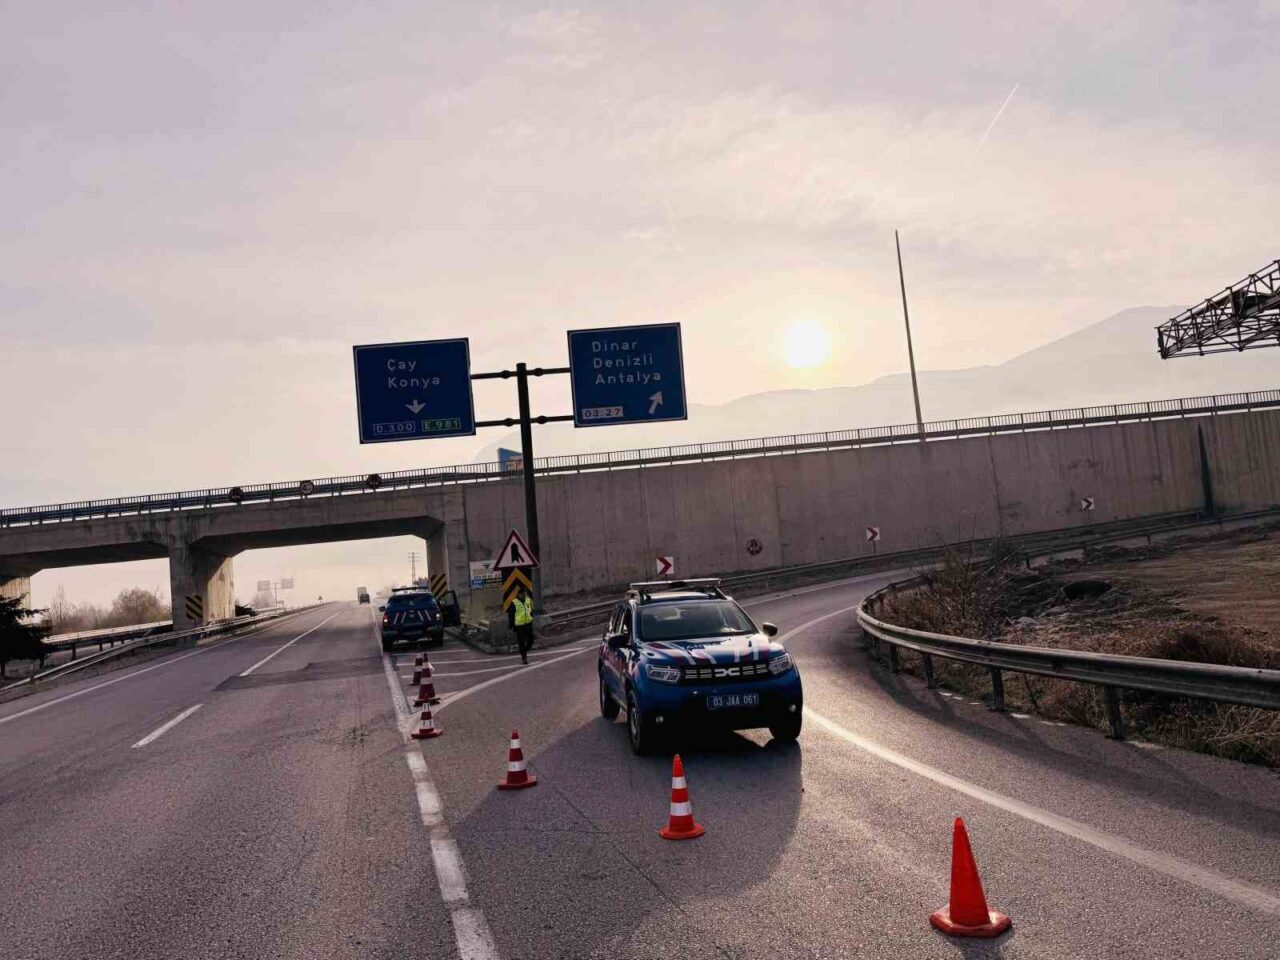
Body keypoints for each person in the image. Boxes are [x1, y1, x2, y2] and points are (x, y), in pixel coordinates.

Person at [509, 586, 535, 664]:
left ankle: (524, 650)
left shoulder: (528, 600)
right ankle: (524, 657)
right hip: (519, 626)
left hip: (528, 624)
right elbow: (511, 615)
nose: (524, 595)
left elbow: (531, 610)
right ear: (519, 594)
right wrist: (511, 625)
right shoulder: (514, 602)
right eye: (523, 593)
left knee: (531, 640)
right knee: (521, 642)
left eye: (525, 593)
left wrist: (531, 618)